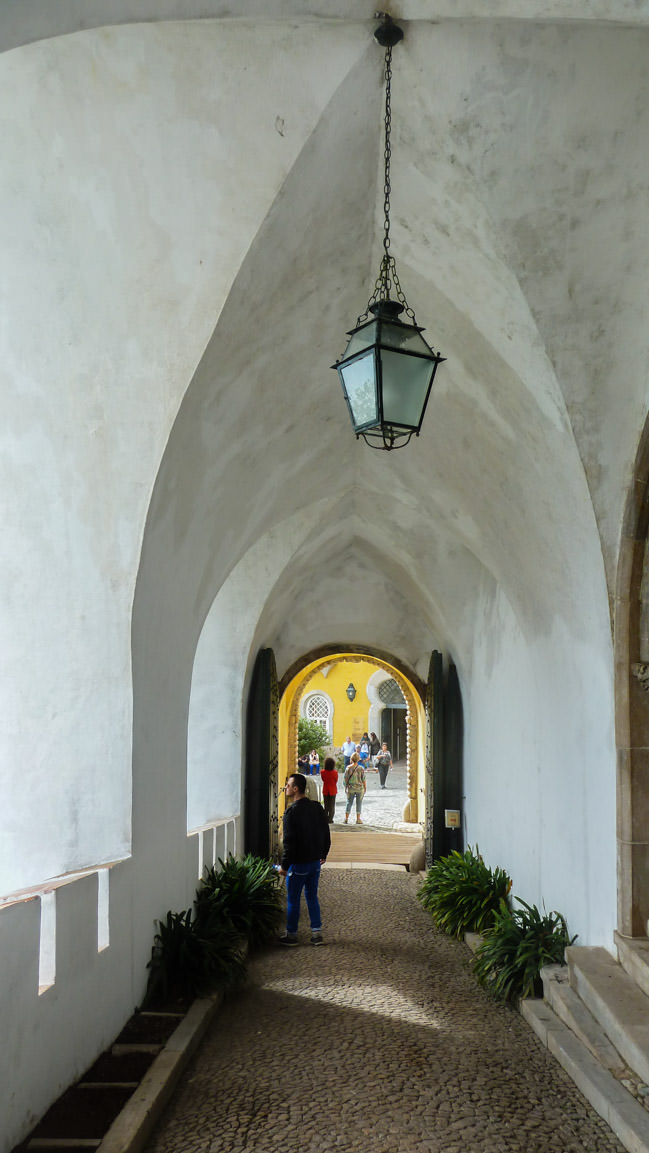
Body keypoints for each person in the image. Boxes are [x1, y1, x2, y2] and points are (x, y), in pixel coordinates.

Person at [278, 773, 330, 946]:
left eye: (288, 785)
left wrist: (284, 866)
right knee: (312, 897)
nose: (286, 787)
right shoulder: (317, 808)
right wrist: (323, 853)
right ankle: (317, 934)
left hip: (298, 864)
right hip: (315, 863)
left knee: (293, 899)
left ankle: (291, 935)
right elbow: (325, 832)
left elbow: (289, 842)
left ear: (296, 788)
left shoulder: (290, 812)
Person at [343, 753, 366, 824]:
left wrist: (346, 786)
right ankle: (358, 819)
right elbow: (363, 779)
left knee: (349, 802)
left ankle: (346, 818)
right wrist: (365, 787)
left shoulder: (348, 768)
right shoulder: (361, 768)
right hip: (359, 788)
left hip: (351, 788)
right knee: (359, 803)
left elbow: (345, 779)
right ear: (358, 759)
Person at [320, 755, 338, 823]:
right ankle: (330, 819)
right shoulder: (335, 773)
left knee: (326, 805)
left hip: (325, 790)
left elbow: (323, 779)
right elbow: (336, 780)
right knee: (332, 806)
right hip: (333, 790)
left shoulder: (322, 772)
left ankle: (325, 818)